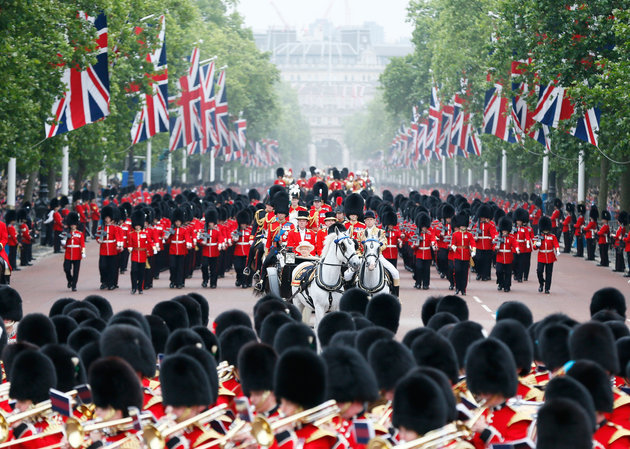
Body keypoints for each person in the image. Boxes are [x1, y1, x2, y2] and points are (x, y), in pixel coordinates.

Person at [362, 210, 400, 296]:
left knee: (395, 273)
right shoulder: (361, 233)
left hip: (378, 257)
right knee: (348, 275)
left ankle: (395, 297)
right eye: (367, 220)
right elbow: (358, 247)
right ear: (365, 221)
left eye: (371, 219)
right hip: (364, 257)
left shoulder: (380, 232)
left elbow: (384, 244)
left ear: (374, 220)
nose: (369, 221)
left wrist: (375, 251)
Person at [96, 205, 122, 291]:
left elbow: (118, 237)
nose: (106, 219)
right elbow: (98, 237)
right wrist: (98, 240)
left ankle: (112, 283)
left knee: (112, 267)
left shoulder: (115, 228)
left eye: (108, 218)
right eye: (106, 218)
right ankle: (104, 281)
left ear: (111, 219)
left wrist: (119, 245)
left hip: (112, 249)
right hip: (103, 250)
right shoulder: (101, 227)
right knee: (102, 266)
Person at [127, 209, 153, 294]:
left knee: (141, 272)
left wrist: (154, 247)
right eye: (136, 225)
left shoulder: (145, 234)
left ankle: (140, 288)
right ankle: (134, 287)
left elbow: (150, 241)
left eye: (139, 225)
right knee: (134, 271)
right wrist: (129, 248)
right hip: (134, 254)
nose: (137, 227)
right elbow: (129, 244)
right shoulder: (131, 234)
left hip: (142, 255)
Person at [450, 213, 475, 296]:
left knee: (464, 273)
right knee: (457, 271)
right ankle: (457, 288)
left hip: (466, 255)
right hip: (457, 255)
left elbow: (472, 243)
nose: (463, 227)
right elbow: (453, 243)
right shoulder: (455, 234)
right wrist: (453, 247)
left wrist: (473, 250)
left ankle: (463, 289)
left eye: (464, 226)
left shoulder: (469, 234)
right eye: (462, 226)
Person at [167, 208, 192, 289]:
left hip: (181, 250)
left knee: (180, 267)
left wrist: (188, 244)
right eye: (176, 221)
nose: (177, 223)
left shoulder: (184, 230)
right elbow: (168, 240)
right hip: (173, 250)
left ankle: (179, 282)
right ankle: (172, 280)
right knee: (172, 266)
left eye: (179, 221)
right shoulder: (172, 230)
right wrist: (166, 236)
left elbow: (187, 237)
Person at [199, 209, 223, 289]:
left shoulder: (217, 231)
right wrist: (201, 242)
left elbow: (220, 239)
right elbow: (199, 238)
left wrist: (220, 245)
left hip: (214, 252)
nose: (210, 224)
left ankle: (213, 283)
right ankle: (205, 280)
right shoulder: (204, 231)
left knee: (214, 268)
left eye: (212, 223)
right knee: (204, 266)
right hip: (205, 251)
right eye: (209, 222)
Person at [535, 216, 560, 294]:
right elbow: (534, 247)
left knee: (549, 273)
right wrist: (536, 245)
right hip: (541, 256)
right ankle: (541, 283)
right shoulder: (539, 237)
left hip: (550, 256)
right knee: (539, 271)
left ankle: (547, 288)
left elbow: (556, 244)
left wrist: (557, 251)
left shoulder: (552, 236)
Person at [411, 212, 435, 290]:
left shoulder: (429, 233)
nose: (424, 229)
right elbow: (413, 244)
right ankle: (418, 283)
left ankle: (426, 284)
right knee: (418, 268)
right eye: (423, 227)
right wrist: (415, 245)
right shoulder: (417, 233)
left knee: (426, 269)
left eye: (425, 227)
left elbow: (433, 239)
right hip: (419, 253)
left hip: (427, 253)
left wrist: (434, 244)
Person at [494, 216, 519, 292]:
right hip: (500, 257)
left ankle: (507, 286)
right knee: (499, 271)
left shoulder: (511, 237)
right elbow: (493, 245)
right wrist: (495, 247)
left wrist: (517, 249)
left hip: (508, 258)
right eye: (503, 231)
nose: (504, 232)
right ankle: (500, 283)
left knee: (508, 273)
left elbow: (515, 244)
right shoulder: (498, 237)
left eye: (505, 231)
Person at [62, 212, 85, 292]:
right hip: (68, 253)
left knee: (76, 271)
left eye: (74, 224)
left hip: (77, 254)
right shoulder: (67, 234)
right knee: (66, 268)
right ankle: (70, 280)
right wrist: (63, 243)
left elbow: (82, 244)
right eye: (71, 224)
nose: (72, 226)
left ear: (76, 225)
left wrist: (83, 252)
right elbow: (64, 245)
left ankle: (74, 285)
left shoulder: (80, 234)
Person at [473, 204, 497, 281]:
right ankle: (479, 273)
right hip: (479, 245)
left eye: (483, 217)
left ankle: (486, 275)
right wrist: (474, 237)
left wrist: (494, 241)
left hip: (488, 246)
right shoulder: (477, 224)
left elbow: (494, 234)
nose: (482, 218)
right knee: (478, 260)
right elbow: (473, 233)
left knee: (487, 261)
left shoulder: (491, 224)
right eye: (481, 217)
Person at [233, 209, 253, 288]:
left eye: (244, 224)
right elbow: (232, 241)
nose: (243, 225)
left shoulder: (250, 230)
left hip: (247, 251)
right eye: (242, 224)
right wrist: (234, 238)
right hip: (238, 252)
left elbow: (253, 238)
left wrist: (251, 241)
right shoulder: (236, 231)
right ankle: (239, 279)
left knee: (246, 268)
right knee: (238, 267)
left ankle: (245, 282)